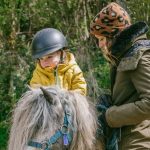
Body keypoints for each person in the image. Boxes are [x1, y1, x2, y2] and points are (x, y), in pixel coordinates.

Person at [90, 2, 150, 149]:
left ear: (115, 36)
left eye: (102, 39)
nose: (100, 45)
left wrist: (109, 116)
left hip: (139, 142)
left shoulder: (140, 55)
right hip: (126, 139)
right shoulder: (126, 55)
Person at [30, 28, 87, 95]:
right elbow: (34, 92)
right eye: (41, 59)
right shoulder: (38, 74)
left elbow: (81, 91)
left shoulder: (74, 70)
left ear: (62, 54)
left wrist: (65, 97)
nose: (44, 62)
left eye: (49, 57)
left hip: (69, 104)